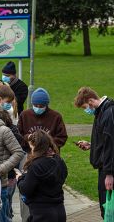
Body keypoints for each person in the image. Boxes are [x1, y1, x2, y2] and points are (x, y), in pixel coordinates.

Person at [73, 87, 114, 218]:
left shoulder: (108, 113)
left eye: (85, 107)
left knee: (108, 209)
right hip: (105, 167)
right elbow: (104, 140)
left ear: (91, 100)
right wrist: (92, 145)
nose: (86, 110)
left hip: (108, 170)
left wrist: (109, 174)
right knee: (106, 208)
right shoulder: (102, 112)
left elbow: (111, 145)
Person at [16, 130, 68, 222]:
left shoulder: (36, 165)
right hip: (60, 211)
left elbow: (25, 189)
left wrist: (20, 178)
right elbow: (62, 178)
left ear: (36, 146)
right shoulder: (59, 160)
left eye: (31, 147)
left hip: (41, 213)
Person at [18, 88, 68, 152]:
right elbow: (18, 135)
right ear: (32, 104)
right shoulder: (24, 115)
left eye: (41, 106)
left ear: (46, 105)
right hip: (28, 152)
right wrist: (28, 138)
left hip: (49, 153)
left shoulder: (56, 117)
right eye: (36, 105)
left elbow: (62, 137)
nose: (38, 108)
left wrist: (47, 143)